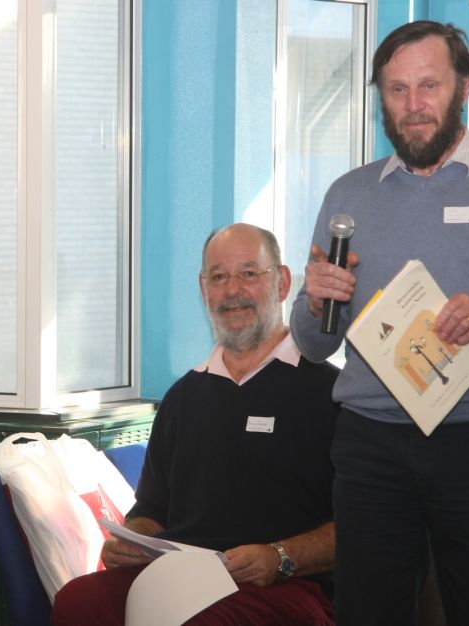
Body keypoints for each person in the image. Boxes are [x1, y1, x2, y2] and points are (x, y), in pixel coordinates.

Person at [289, 21, 469, 626]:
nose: (413, 105)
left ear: (463, 87)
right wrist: (313, 305)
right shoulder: (348, 195)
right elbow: (312, 344)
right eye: (396, 90)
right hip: (368, 445)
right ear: (381, 99)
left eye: (429, 86)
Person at [52, 223, 340, 625]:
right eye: (218, 277)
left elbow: (360, 524)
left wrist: (280, 557)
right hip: (182, 579)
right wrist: (133, 540)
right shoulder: (183, 397)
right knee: (78, 601)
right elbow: (151, 509)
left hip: (287, 586)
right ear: (203, 290)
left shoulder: (331, 393)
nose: (232, 290)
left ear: (283, 282)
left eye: (249, 273)